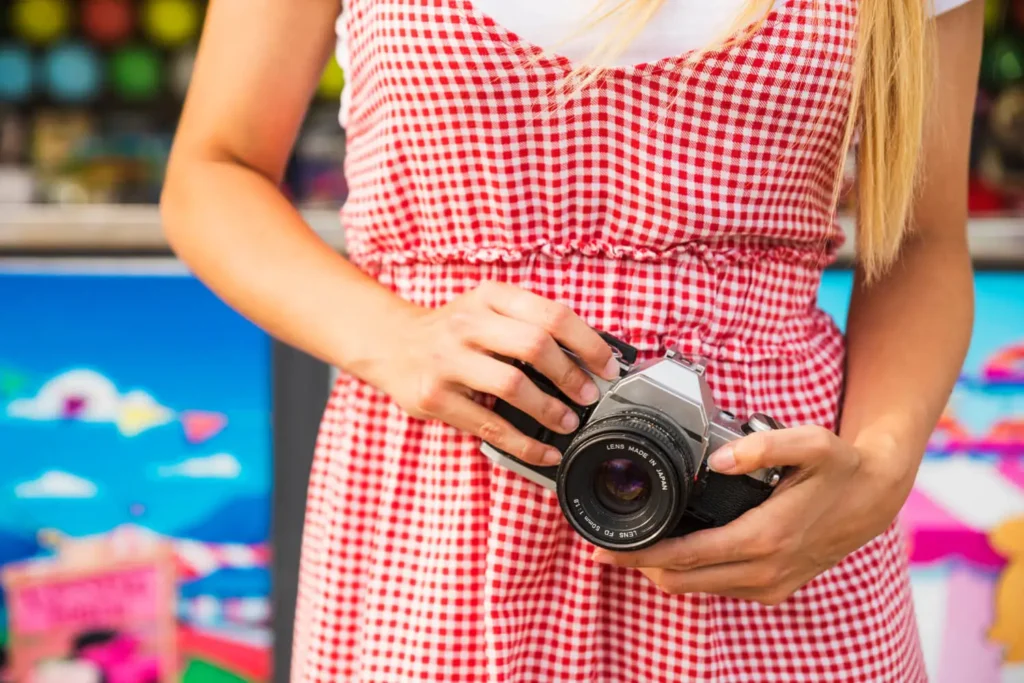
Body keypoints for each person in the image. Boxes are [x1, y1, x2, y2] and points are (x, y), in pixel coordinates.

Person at [161, 0, 983, 680]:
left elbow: (921, 243)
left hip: (766, 530)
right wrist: (395, 338)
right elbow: (214, 169)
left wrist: (878, 472)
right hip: (440, 516)